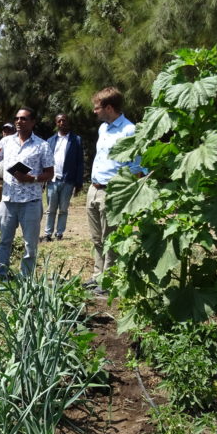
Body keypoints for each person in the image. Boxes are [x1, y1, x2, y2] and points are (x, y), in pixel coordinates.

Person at [0, 107, 54, 279]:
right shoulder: (6, 142)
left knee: (30, 244)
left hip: (31, 201)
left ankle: (26, 276)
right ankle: (2, 273)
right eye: (16, 118)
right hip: (8, 200)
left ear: (32, 122)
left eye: (23, 119)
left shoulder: (42, 146)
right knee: (4, 241)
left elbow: (50, 173)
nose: (18, 122)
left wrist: (32, 178)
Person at [86, 87, 143, 294]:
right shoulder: (104, 129)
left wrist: (127, 195)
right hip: (94, 188)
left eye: (97, 108)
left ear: (108, 108)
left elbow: (137, 167)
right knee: (96, 237)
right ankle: (97, 276)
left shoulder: (129, 130)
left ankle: (109, 282)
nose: (94, 111)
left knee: (112, 237)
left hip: (114, 191)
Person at [43, 113, 84, 241]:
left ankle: (59, 233)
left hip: (68, 180)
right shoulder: (50, 141)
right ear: (56, 123)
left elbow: (80, 162)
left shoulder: (76, 140)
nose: (62, 123)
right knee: (50, 209)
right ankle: (47, 234)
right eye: (59, 121)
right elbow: (45, 161)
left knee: (63, 209)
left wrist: (78, 183)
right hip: (52, 180)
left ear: (68, 122)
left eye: (64, 120)